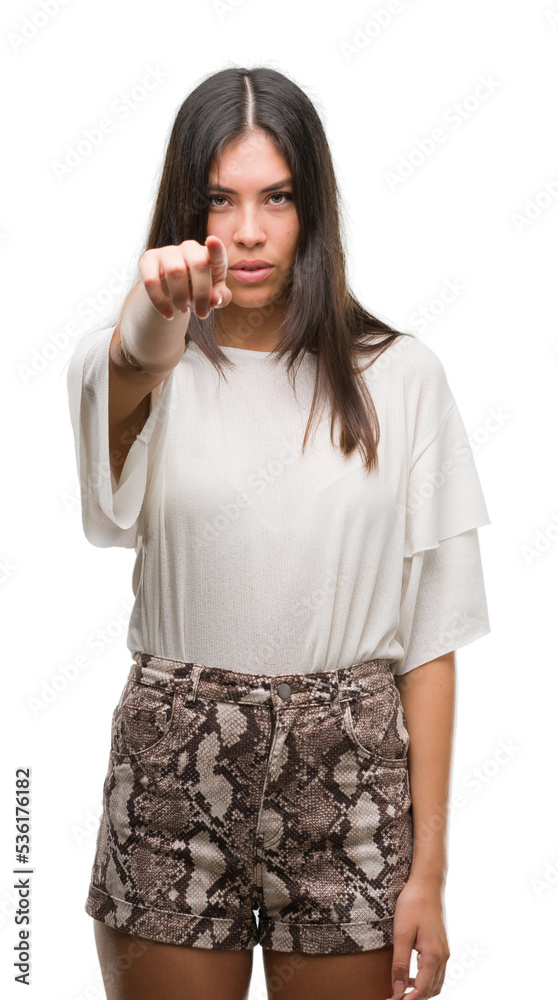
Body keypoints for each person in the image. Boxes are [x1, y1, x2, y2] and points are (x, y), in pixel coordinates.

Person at [66, 65, 491, 1000]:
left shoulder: (403, 378)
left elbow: (431, 642)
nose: (250, 231)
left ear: (314, 209)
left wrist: (429, 873)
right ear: (186, 212)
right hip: (171, 772)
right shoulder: (136, 364)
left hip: (352, 784)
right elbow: (128, 367)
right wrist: (153, 312)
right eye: (220, 199)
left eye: (278, 197)